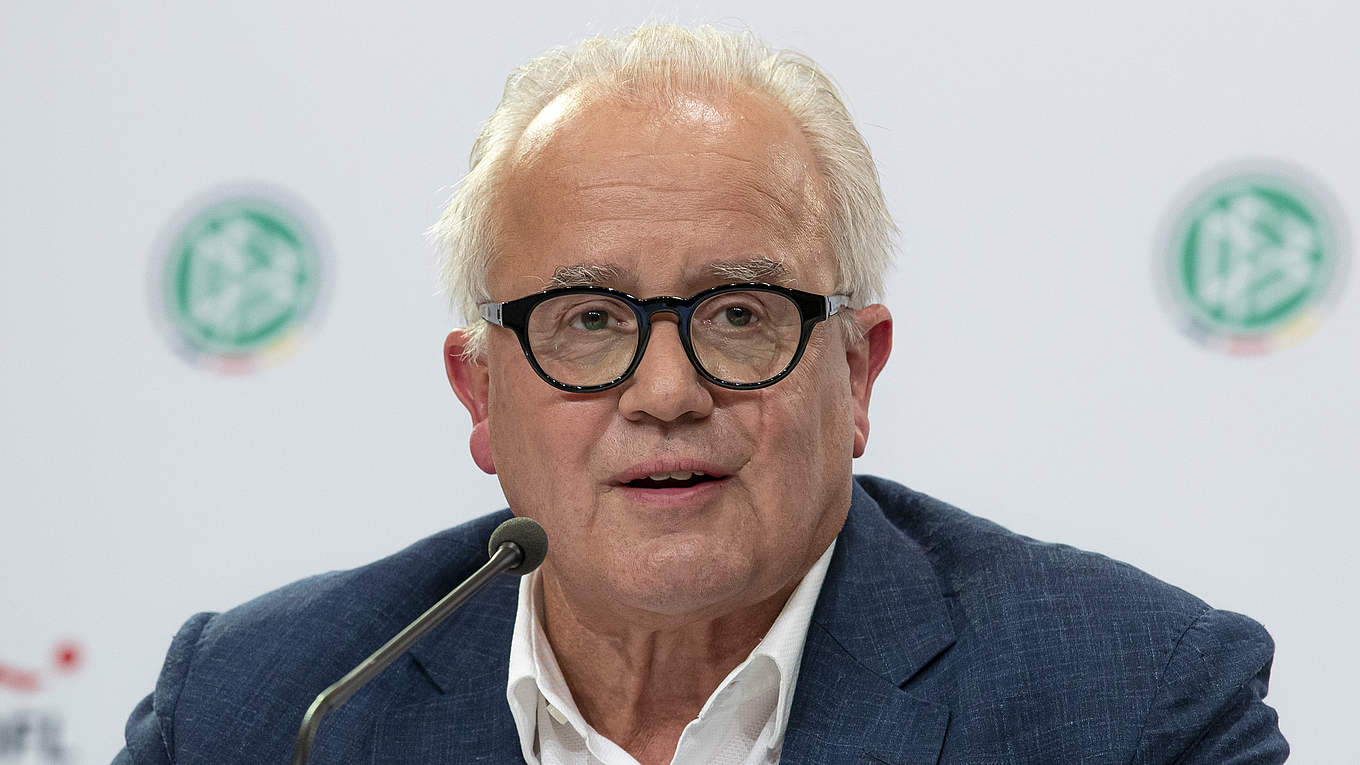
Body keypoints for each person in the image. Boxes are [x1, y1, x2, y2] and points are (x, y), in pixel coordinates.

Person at [114, 24, 1288, 765]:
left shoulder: (1130, 706)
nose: (666, 391)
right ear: (479, 395)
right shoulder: (264, 709)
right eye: (588, 322)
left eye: (738, 314)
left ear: (856, 371)